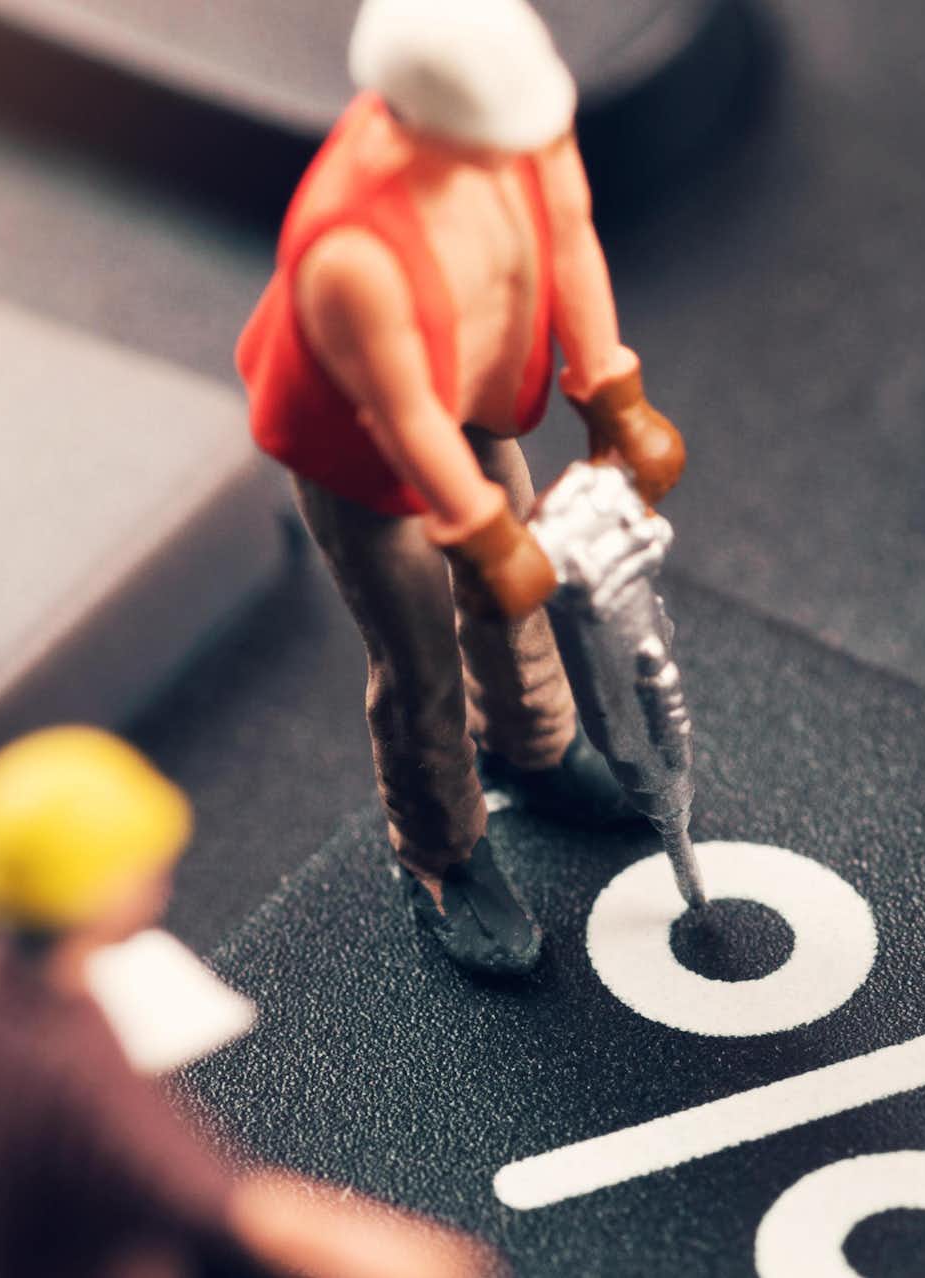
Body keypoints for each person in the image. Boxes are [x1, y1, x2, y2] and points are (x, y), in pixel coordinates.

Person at [235, 0, 686, 976]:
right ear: (419, 121)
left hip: (478, 393)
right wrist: (486, 535)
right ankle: (439, 851)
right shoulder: (350, 254)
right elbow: (401, 422)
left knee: (517, 607)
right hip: (371, 469)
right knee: (419, 656)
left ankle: (534, 743)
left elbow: (568, 237)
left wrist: (611, 394)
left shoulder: (519, 123)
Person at [0, 727, 502, 1278]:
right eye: (145, 867)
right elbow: (230, 1208)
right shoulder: (72, 1061)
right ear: (97, 895)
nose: (162, 880)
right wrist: (416, 1259)